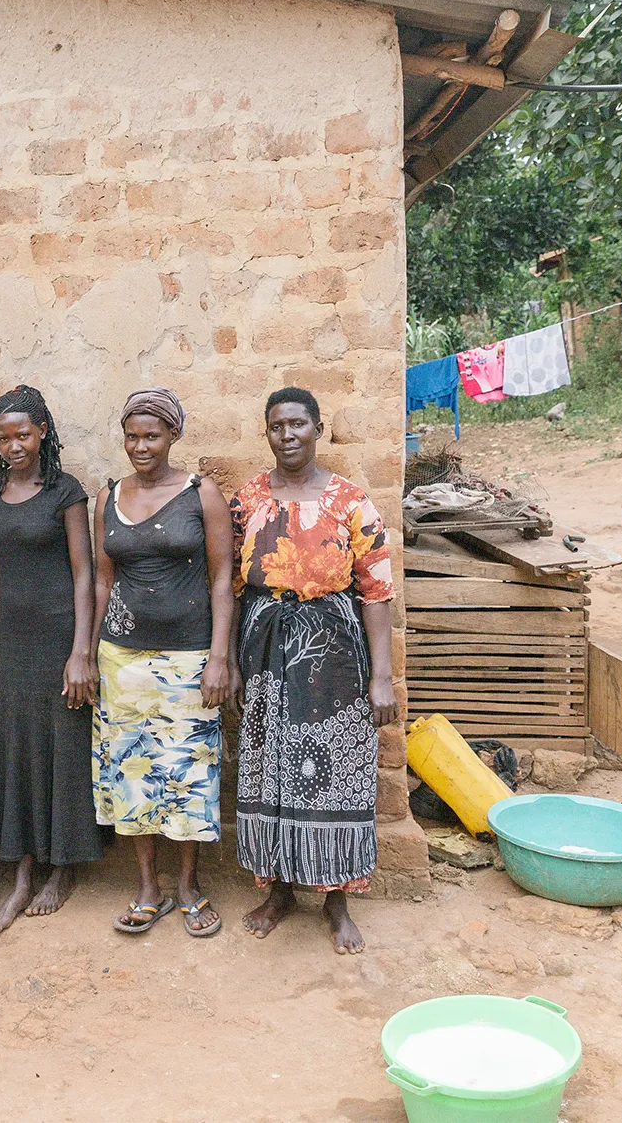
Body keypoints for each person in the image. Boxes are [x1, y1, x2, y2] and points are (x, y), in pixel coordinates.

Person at [228, 386, 398, 955]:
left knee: (337, 772)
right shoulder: (247, 500)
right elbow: (227, 586)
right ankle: (277, 893)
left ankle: (337, 901)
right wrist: (228, 660)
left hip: (334, 656)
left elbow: (376, 592)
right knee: (268, 770)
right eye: (277, 426)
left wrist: (381, 676)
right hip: (265, 652)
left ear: (318, 429)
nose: (288, 435)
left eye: (299, 424)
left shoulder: (352, 502)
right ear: (267, 433)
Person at [92, 387, 235, 938]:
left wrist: (219, 657)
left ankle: (188, 887)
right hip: (121, 659)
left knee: (188, 774)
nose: (140, 446)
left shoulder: (202, 495)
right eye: (132, 436)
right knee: (129, 773)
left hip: (188, 658)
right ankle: (148, 887)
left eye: (152, 435)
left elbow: (223, 579)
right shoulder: (108, 497)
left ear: (173, 435)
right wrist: (87, 652)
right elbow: (104, 581)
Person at [0, 385, 102, 936]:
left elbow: (84, 574)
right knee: (16, 753)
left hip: (60, 639)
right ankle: (23, 870)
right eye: (4, 437)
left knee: (63, 751)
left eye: (22, 434)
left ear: (42, 431)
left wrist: (81, 652)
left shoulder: (65, 492)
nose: (13, 445)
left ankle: (61, 869)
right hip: (16, 643)